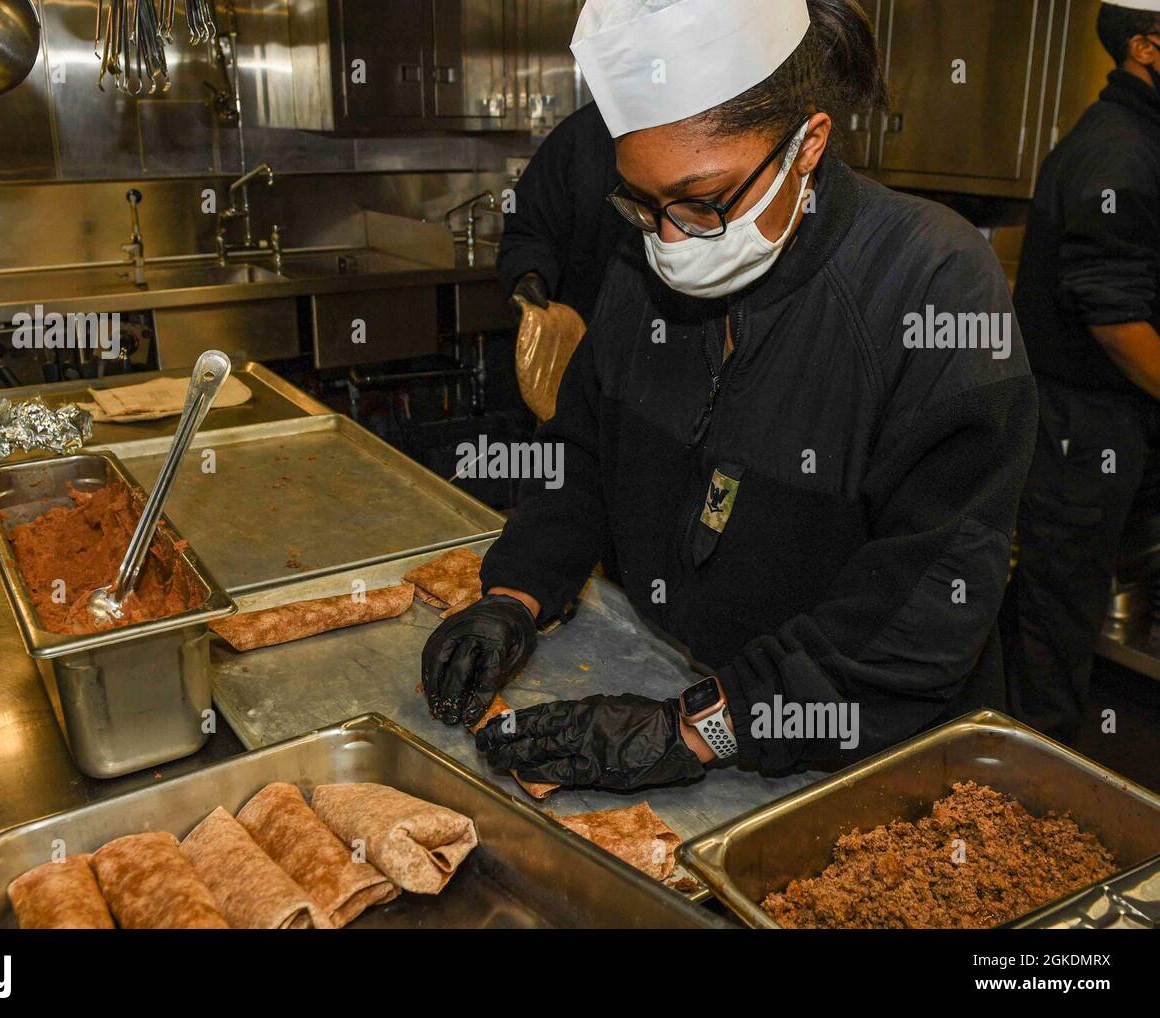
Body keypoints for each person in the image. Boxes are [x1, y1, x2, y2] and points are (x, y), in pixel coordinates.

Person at [423, 0, 1038, 792]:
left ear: (807, 143)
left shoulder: (933, 285)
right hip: (684, 683)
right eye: (643, 205)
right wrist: (515, 592)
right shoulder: (642, 268)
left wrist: (697, 729)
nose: (671, 243)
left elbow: (923, 606)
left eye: (705, 201)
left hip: (868, 759)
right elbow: (583, 456)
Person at [1006, 1, 1160, 743]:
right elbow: (1115, 318)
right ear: (1147, 47)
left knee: (1052, 599)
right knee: (1055, 614)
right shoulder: (1119, 151)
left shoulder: (1140, 139)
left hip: (1106, 419)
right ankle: (1033, 784)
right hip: (1082, 423)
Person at [496, 102, 627, 321]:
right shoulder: (582, 135)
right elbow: (530, 230)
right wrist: (529, 274)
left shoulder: (700, 128)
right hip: (585, 329)